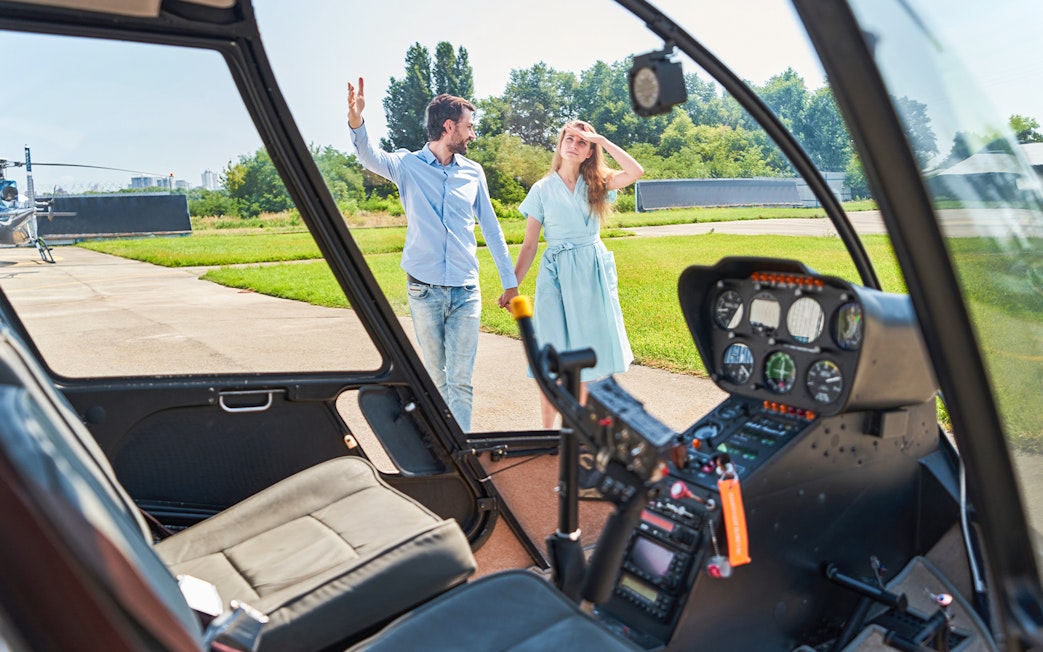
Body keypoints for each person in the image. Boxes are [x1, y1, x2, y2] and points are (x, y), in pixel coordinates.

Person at [347, 77, 519, 432]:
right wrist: (357, 120)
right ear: (448, 126)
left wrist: (510, 283)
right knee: (436, 378)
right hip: (423, 290)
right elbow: (368, 155)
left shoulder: (473, 173)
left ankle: (463, 451)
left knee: (460, 380)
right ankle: (443, 446)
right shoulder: (407, 165)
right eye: (469, 126)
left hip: (465, 291)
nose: (473, 134)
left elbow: (491, 228)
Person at [502, 121, 644, 428]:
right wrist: (512, 286)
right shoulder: (541, 189)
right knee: (550, 354)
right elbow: (529, 246)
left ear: (589, 152)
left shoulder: (598, 182)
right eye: (570, 138)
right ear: (560, 143)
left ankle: (583, 429)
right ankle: (547, 433)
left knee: (591, 352)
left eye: (582, 142)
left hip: (591, 272)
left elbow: (636, 172)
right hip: (555, 272)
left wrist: (603, 139)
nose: (574, 145)